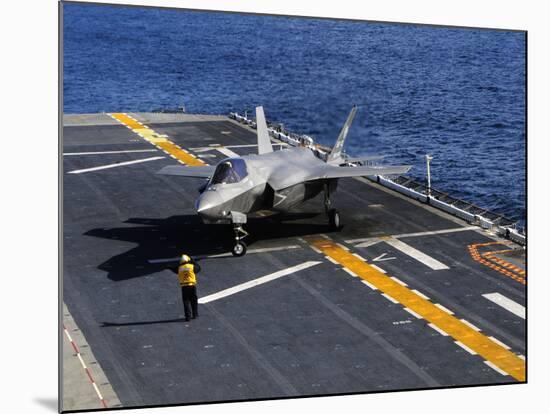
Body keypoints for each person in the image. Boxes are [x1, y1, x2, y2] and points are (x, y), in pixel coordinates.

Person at [177, 254, 201, 321]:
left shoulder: (180, 268)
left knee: (186, 302)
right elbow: (199, 268)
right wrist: (193, 261)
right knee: (193, 301)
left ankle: (188, 317)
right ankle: (195, 314)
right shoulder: (192, 266)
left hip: (184, 287)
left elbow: (175, 270)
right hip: (191, 286)